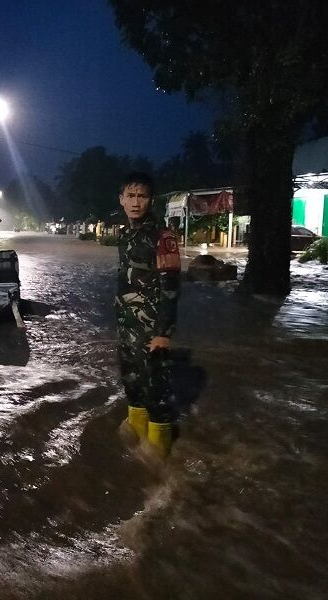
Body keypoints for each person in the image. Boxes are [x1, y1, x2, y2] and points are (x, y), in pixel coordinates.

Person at [116, 172, 181, 456]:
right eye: (130, 196)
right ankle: (134, 448)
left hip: (152, 328)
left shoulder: (162, 237)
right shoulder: (126, 235)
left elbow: (171, 287)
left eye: (141, 196)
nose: (135, 202)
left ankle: (159, 458)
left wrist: (163, 333)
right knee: (132, 383)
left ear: (150, 201)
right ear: (121, 200)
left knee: (157, 392)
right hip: (127, 326)